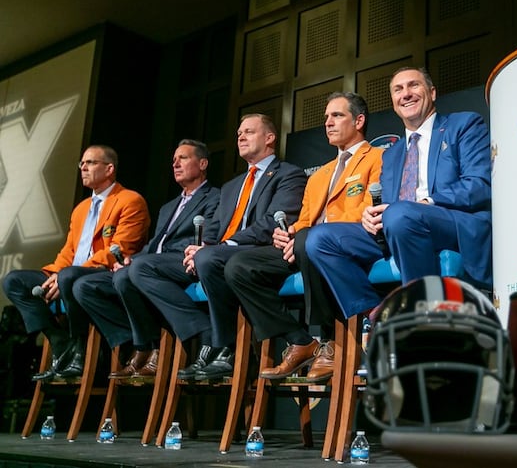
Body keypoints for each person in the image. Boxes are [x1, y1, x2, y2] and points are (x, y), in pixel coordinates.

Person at [306, 67, 492, 320]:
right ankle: (376, 314)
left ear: (432, 93)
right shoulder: (391, 153)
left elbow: (479, 184)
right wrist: (369, 216)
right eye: (398, 89)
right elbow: (389, 204)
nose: (406, 94)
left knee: (401, 214)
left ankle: (419, 314)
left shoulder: (463, 125)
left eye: (413, 86)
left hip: (450, 221)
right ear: (393, 102)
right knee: (320, 239)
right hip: (398, 225)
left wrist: (428, 201)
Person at [131, 114, 306, 380]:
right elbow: (214, 228)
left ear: (270, 138)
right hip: (220, 253)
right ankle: (204, 331)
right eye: (238, 134)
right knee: (141, 267)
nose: (241, 137)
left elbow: (271, 222)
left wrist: (220, 247)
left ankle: (224, 347)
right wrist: (198, 247)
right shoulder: (231, 185)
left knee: (210, 258)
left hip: (258, 252)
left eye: (249, 132)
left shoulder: (288, 174)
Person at [224, 92, 383, 382]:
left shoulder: (379, 157)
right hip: (305, 245)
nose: (328, 123)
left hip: (347, 244)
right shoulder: (320, 174)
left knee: (313, 239)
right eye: (325, 118)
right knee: (239, 267)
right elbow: (305, 219)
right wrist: (288, 235)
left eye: (337, 116)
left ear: (359, 120)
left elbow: (369, 208)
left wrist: (307, 235)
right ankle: (299, 340)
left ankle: (328, 342)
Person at [73, 139, 220, 379]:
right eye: (173, 160)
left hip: (186, 262)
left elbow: (209, 236)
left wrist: (142, 261)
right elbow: (154, 245)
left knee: (137, 269)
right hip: (151, 265)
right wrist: (130, 259)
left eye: (183, 158)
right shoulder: (168, 207)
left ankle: (194, 331)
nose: (175, 164)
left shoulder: (215, 197)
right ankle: (144, 345)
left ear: (202, 163)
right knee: (86, 285)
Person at [2, 145, 151, 381]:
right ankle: (60, 341)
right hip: (68, 274)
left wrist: (66, 274)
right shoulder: (81, 209)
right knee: (13, 281)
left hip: (103, 276)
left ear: (109, 168)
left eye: (90, 163)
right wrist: (55, 274)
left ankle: (80, 350)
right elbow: (69, 252)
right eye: (82, 163)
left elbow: (120, 249)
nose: (83, 167)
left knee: (70, 276)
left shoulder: (129, 200)